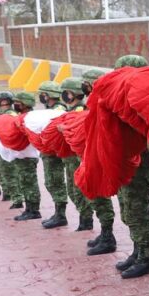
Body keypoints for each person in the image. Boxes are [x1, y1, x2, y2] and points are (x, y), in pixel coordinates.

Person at [111, 54, 149, 280]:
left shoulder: (145, 98)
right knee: (128, 208)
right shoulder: (121, 96)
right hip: (126, 160)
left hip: (140, 163)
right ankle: (137, 250)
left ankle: (145, 257)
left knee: (138, 209)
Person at [80, 69, 119, 256]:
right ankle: (105, 234)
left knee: (133, 211)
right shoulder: (91, 102)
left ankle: (109, 236)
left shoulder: (106, 100)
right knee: (95, 194)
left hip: (103, 155)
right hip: (93, 153)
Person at [60, 79, 95, 232]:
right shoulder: (72, 109)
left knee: (79, 189)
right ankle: (84, 217)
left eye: (66, 92)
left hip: (78, 156)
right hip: (71, 156)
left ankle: (86, 219)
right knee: (73, 189)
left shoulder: (80, 110)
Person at [37, 81, 70, 229]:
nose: (41, 97)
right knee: (50, 182)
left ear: (48, 95)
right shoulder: (50, 109)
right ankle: (58, 213)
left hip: (56, 152)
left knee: (56, 182)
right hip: (50, 151)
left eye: (43, 94)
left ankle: (61, 214)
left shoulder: (58, 109)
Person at [10, 91, 43, 221]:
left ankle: (34, 210)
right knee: (24, 182)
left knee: (30, 183)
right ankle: (29, 208)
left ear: (25, 104)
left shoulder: (31, 118)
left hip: (28, 155)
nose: (15, 105)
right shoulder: (21, 116)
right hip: (22, 154)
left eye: (18, 103)